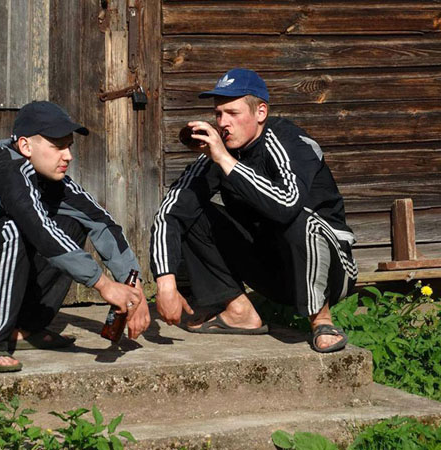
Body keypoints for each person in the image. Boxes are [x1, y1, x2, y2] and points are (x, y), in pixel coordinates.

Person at [0, 101, 150, 371]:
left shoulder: (50, 180)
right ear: (25, 146)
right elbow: (39, 229)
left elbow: (101, 221)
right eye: (58, 147)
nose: (68, 156)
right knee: (11, 230)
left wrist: (132, 284)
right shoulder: (6, 171)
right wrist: (104, 285)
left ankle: (24, 328)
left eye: (70, 146)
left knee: (71, 223)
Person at [150, 68, 357, 353]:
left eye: (233, 113)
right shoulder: (220, 153)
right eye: (219, 114)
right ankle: (239, 311)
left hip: (331, 270)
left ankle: (322, 321)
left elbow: (286, 205)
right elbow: (169, 213)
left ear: (260, 112)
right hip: (273, 270)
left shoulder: (289, 141)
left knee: (300, 219)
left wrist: (224, 159)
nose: (223, 123)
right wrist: (165, 283)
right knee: (193, 212)